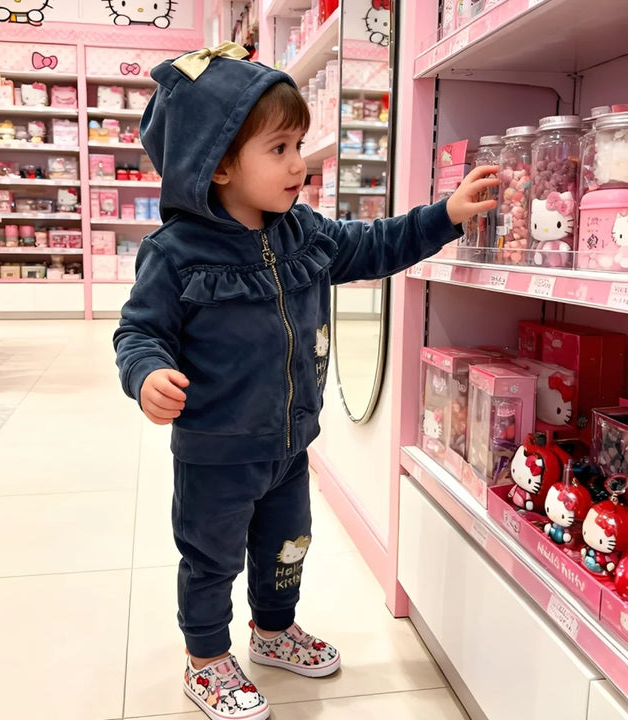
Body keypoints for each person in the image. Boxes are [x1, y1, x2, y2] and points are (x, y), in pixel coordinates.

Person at [114, 42, 498, 720]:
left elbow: (375, 245)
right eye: (280, 149)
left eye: (299, 145)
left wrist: (443, 216)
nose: (299, 164)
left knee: (286, 547)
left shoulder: (304, 234)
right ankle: (206, 660)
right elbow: (139, 332)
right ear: (218, 162)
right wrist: (147, 375)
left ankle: (273, 631)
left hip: (291, 444)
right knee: (210, 558)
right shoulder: (174, 254)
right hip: (216, 452)